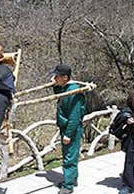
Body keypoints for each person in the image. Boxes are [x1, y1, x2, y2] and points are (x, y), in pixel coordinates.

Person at [50, 64, 86, 194]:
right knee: (69, 154)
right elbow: (58, 97)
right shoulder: (65, 88)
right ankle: (71, 178)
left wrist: (68, 134)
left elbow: (75, 116)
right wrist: (54, 85)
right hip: (65, 126)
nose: (55, 78)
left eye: (57, 76)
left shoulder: (74, 91)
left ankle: (68, 185)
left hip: (72, 129)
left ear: (65, 77)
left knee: (69, 157)